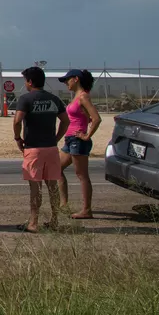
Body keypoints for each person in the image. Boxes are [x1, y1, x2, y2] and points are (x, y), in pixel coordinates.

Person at [13, 66, 68, 232]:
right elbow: (65, 121)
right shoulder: (54, 99)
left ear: (30, 81)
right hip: (51, 148)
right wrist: (57, 138)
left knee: (35, 187)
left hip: (34, 148)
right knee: (53, 186)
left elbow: (17, 121)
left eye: (25, 81)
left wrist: (17, 138)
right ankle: (54, 221)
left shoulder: (25, 99)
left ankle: (33, 222)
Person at [58, 68, 102, 219]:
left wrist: (86, 135)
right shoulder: (76, 96)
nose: (65, 83)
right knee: (57, 169)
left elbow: (96, 118)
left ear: (76, 79)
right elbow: (85, 116)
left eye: (67, 80)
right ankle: (63, 204)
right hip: (70, 139)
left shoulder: (83, 96)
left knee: (81, 175)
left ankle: (86, 210)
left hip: (78, 140)